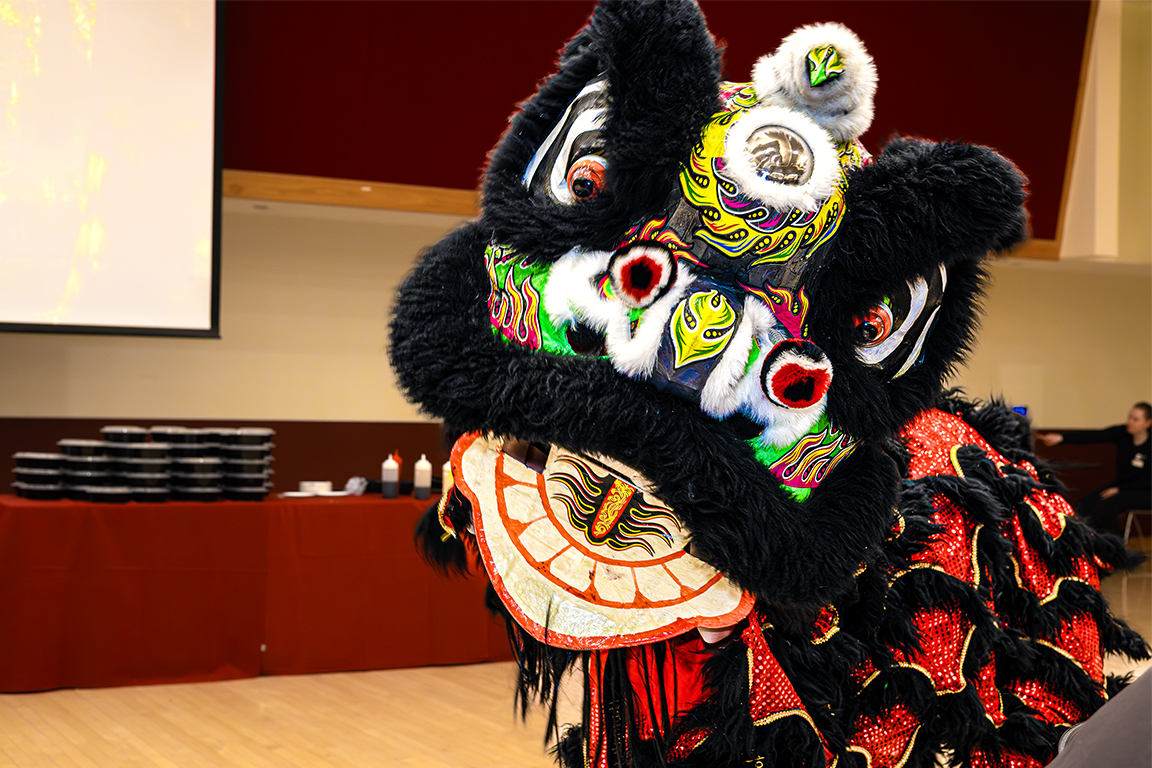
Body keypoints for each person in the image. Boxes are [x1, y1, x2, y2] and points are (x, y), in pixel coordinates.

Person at [1037, 403, 1152, 534]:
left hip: (1145, 491)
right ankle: (1091, 542)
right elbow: (1095, 436)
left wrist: (1120, 490)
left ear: (1148, 423)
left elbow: (1148, 479)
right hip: (1121, 486)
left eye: (1135, 419)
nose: (1129, 422)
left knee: (1106, 507)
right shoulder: (1123, 433)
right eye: (1130, 417)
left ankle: (1115, 543)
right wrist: (1061, 438)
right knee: (1084, 505)